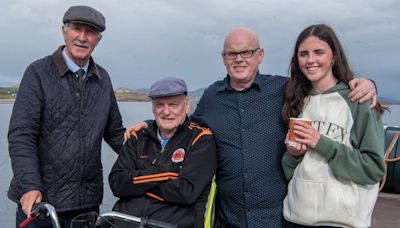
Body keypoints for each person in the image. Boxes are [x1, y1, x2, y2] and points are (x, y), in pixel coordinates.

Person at [127, 27, 377, 227]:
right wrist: (150, 124)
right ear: (223, 58)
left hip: (278, 217)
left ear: (260, 55)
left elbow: (323, 87)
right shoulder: (212, 97)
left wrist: (364, 84)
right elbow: (185, 126)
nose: (239, 59)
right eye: (231, 54)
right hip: (229, 217)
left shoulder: (284, 89)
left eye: (246, 52)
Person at [7, 5, 125, 227]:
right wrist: (31, 186)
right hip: (40, 205)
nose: (82, 37)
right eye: (76, 29)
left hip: (86, 204)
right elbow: (21, 135)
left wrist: (150, 148)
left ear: (98, 39)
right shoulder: (38, 72)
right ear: (64, 32)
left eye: (90, 32)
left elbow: (115, 133)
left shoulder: (103, 79)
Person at [281, 24, 385, 228]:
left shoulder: (358, 99)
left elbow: (373, 169)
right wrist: (292, 156)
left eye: (318, 52)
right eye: (303, 54)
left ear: (334, 57)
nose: (310, 60)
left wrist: (320, 142)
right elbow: (292, 172)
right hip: (296, 219)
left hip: (342, 222)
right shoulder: (295, 101)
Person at [109, 77, 217, 228]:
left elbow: (185, 192)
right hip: (125, 222)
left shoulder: (201, 139)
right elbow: (116, 183)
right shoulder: (138, 136)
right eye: (160, 105)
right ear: (153, 108)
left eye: (173, 105)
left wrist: (136, 184)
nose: (166, 112)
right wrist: (168, 174)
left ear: (186, 107)